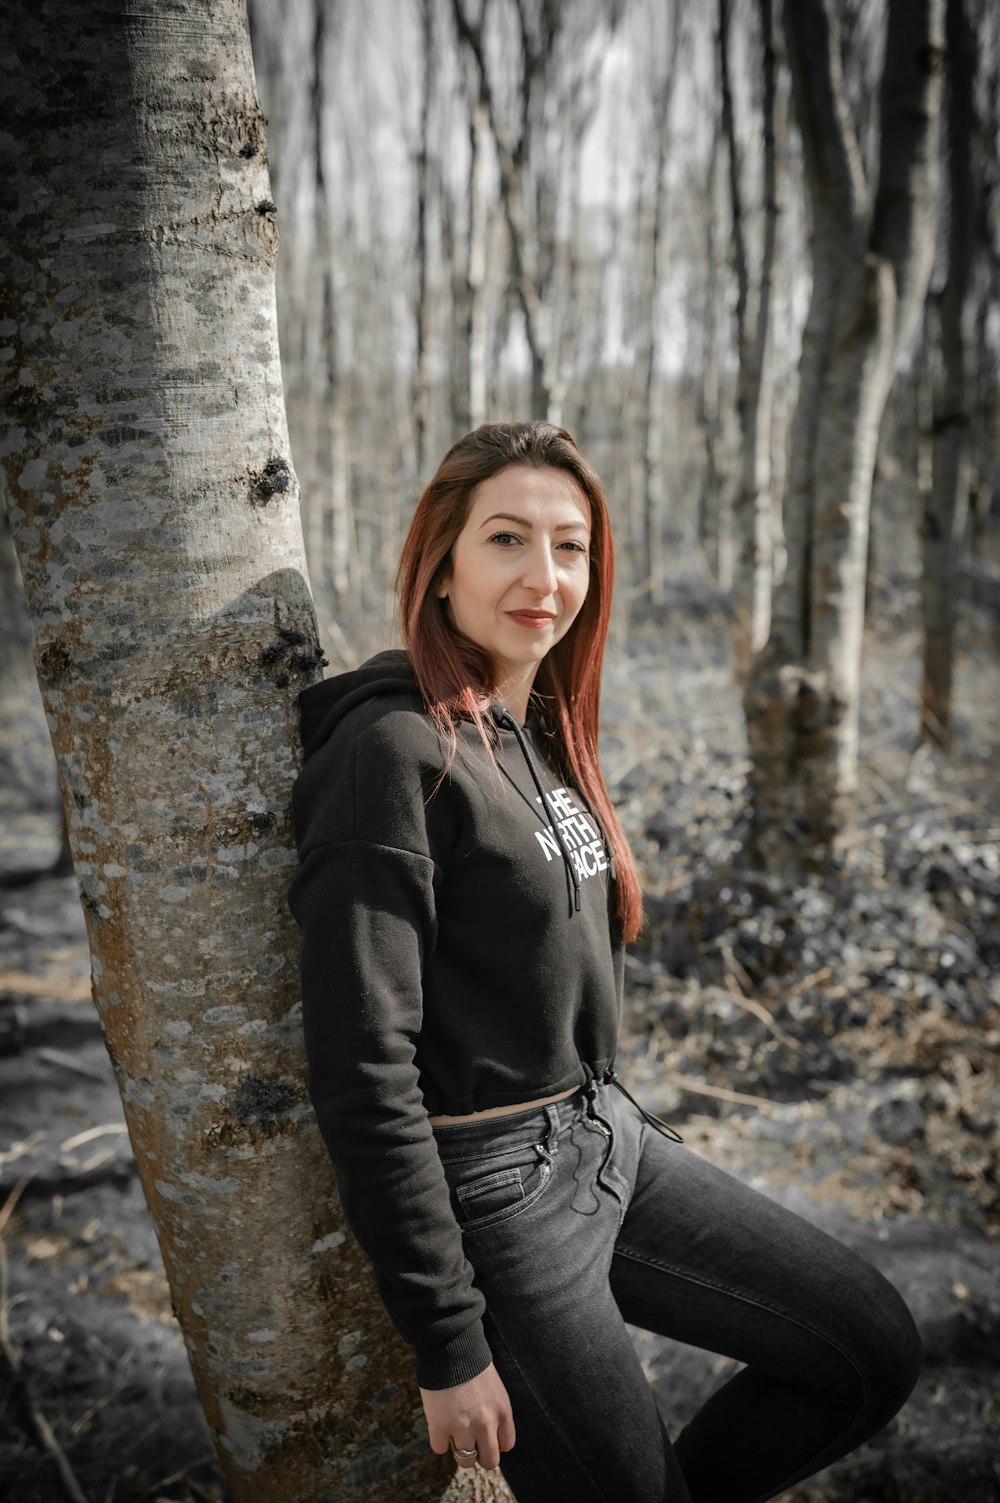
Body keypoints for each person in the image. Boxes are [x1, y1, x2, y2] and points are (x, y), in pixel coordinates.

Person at [288, 421, 922, 1503]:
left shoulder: (529, 733)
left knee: (865, 1349)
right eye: (506, 540)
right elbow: (361, 1066)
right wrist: (447, 1341)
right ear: (438, 566)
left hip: (606, 1139)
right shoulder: (393, 756)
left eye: (571, 546)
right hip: (500, 1193)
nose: (545, 576)